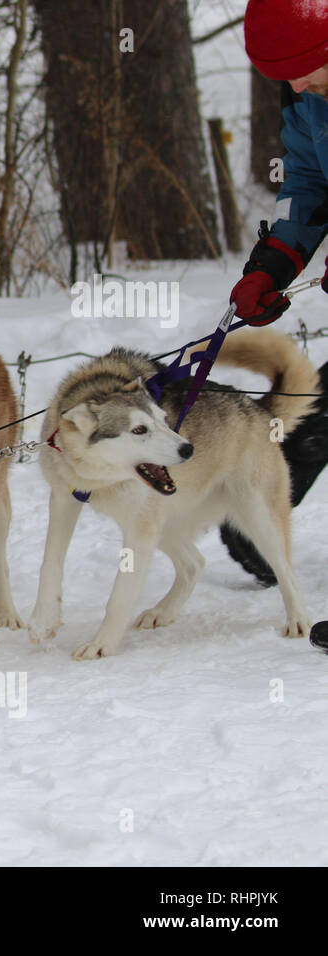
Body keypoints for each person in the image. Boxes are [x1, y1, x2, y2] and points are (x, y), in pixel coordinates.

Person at [222, 1, 328, 587]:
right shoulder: (306, 91)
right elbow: (309, 179)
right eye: (282, 76)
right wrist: (275, 263)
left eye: (310, 67)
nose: (297, 84)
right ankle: (259, 528)